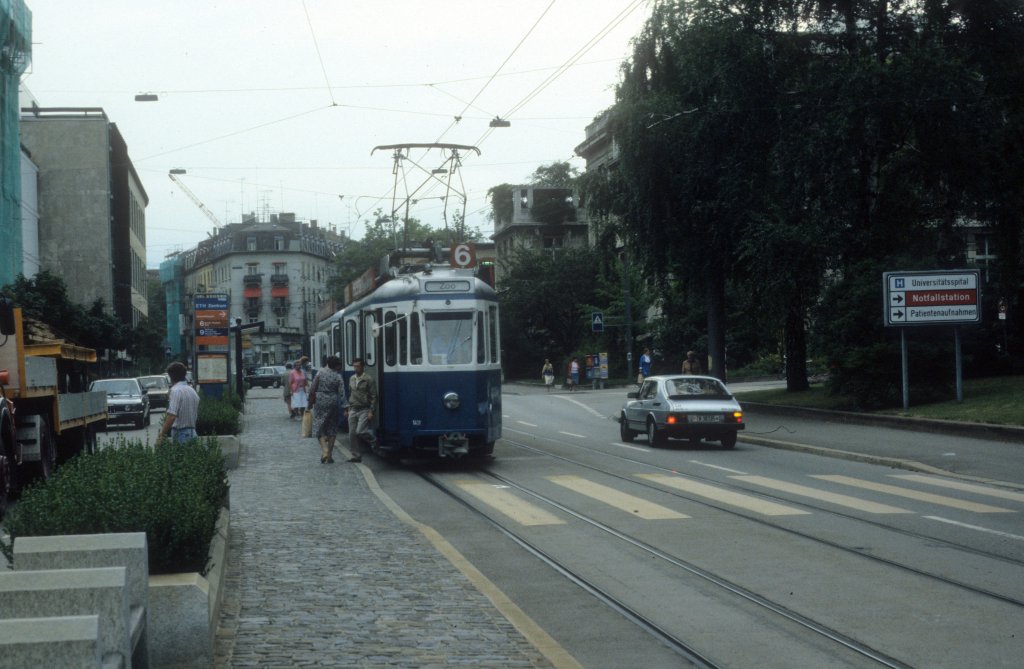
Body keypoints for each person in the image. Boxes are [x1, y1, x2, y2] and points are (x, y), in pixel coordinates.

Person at [308, 356, 344, 464]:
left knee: (319, 425)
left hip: (320, 401)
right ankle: (330, 455)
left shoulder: (320, 373)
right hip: (333, 401)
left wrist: (309, 403)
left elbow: (312, 388)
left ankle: (325, 450)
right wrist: (345, 406)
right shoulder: (338, 376)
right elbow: (342, 393)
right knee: (332, 428)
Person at [158, 361, 200, 443]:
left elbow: (172, 416)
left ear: (171, 377)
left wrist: (162, 435)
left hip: (181, 434)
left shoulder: (175, 391)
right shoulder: (192, 391)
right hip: (193, 432)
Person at [347, 357, 377, 463]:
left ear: (362, 367)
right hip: (353, 408)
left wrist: (371, 411)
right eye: (354, 366)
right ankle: (356, 455)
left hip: (364, 409)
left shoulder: (368, 379)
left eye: (358, 366)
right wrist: (347, 408)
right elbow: (350, 393)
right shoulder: (351, 378)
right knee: (351, 433)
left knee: (360, 431)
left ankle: (374, 441)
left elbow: (373, 396)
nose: (356, 368)